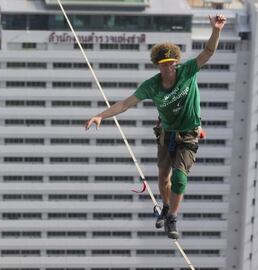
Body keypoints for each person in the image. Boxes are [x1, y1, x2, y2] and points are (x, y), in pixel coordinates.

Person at [85, 14, 227, 239]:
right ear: (158, 66)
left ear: (176, 63)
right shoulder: (152, 86)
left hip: (189, 132)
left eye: (171, 64)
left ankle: (172, 217)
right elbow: (126, 103)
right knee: (163, 178)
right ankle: (166, 207)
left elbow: (208, 52)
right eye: (164, 65)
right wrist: (101, 116)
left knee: (180, 177)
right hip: (166, 132)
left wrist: (216, 30)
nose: (169, 68)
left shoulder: (187, 71)